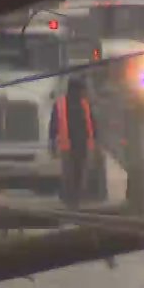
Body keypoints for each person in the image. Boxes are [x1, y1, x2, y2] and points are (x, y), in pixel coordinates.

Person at [49, 76, 96, 209]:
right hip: (68, 145)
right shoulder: (61, 104)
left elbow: (92, 124)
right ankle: (70, 201)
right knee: (70, 175)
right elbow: (54, 125)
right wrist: (53, 142)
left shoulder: (84, 104)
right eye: (82, 90)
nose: (83, 92)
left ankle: (76, 201)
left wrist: (93, 143)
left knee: (79, 174)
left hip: (82, 145)